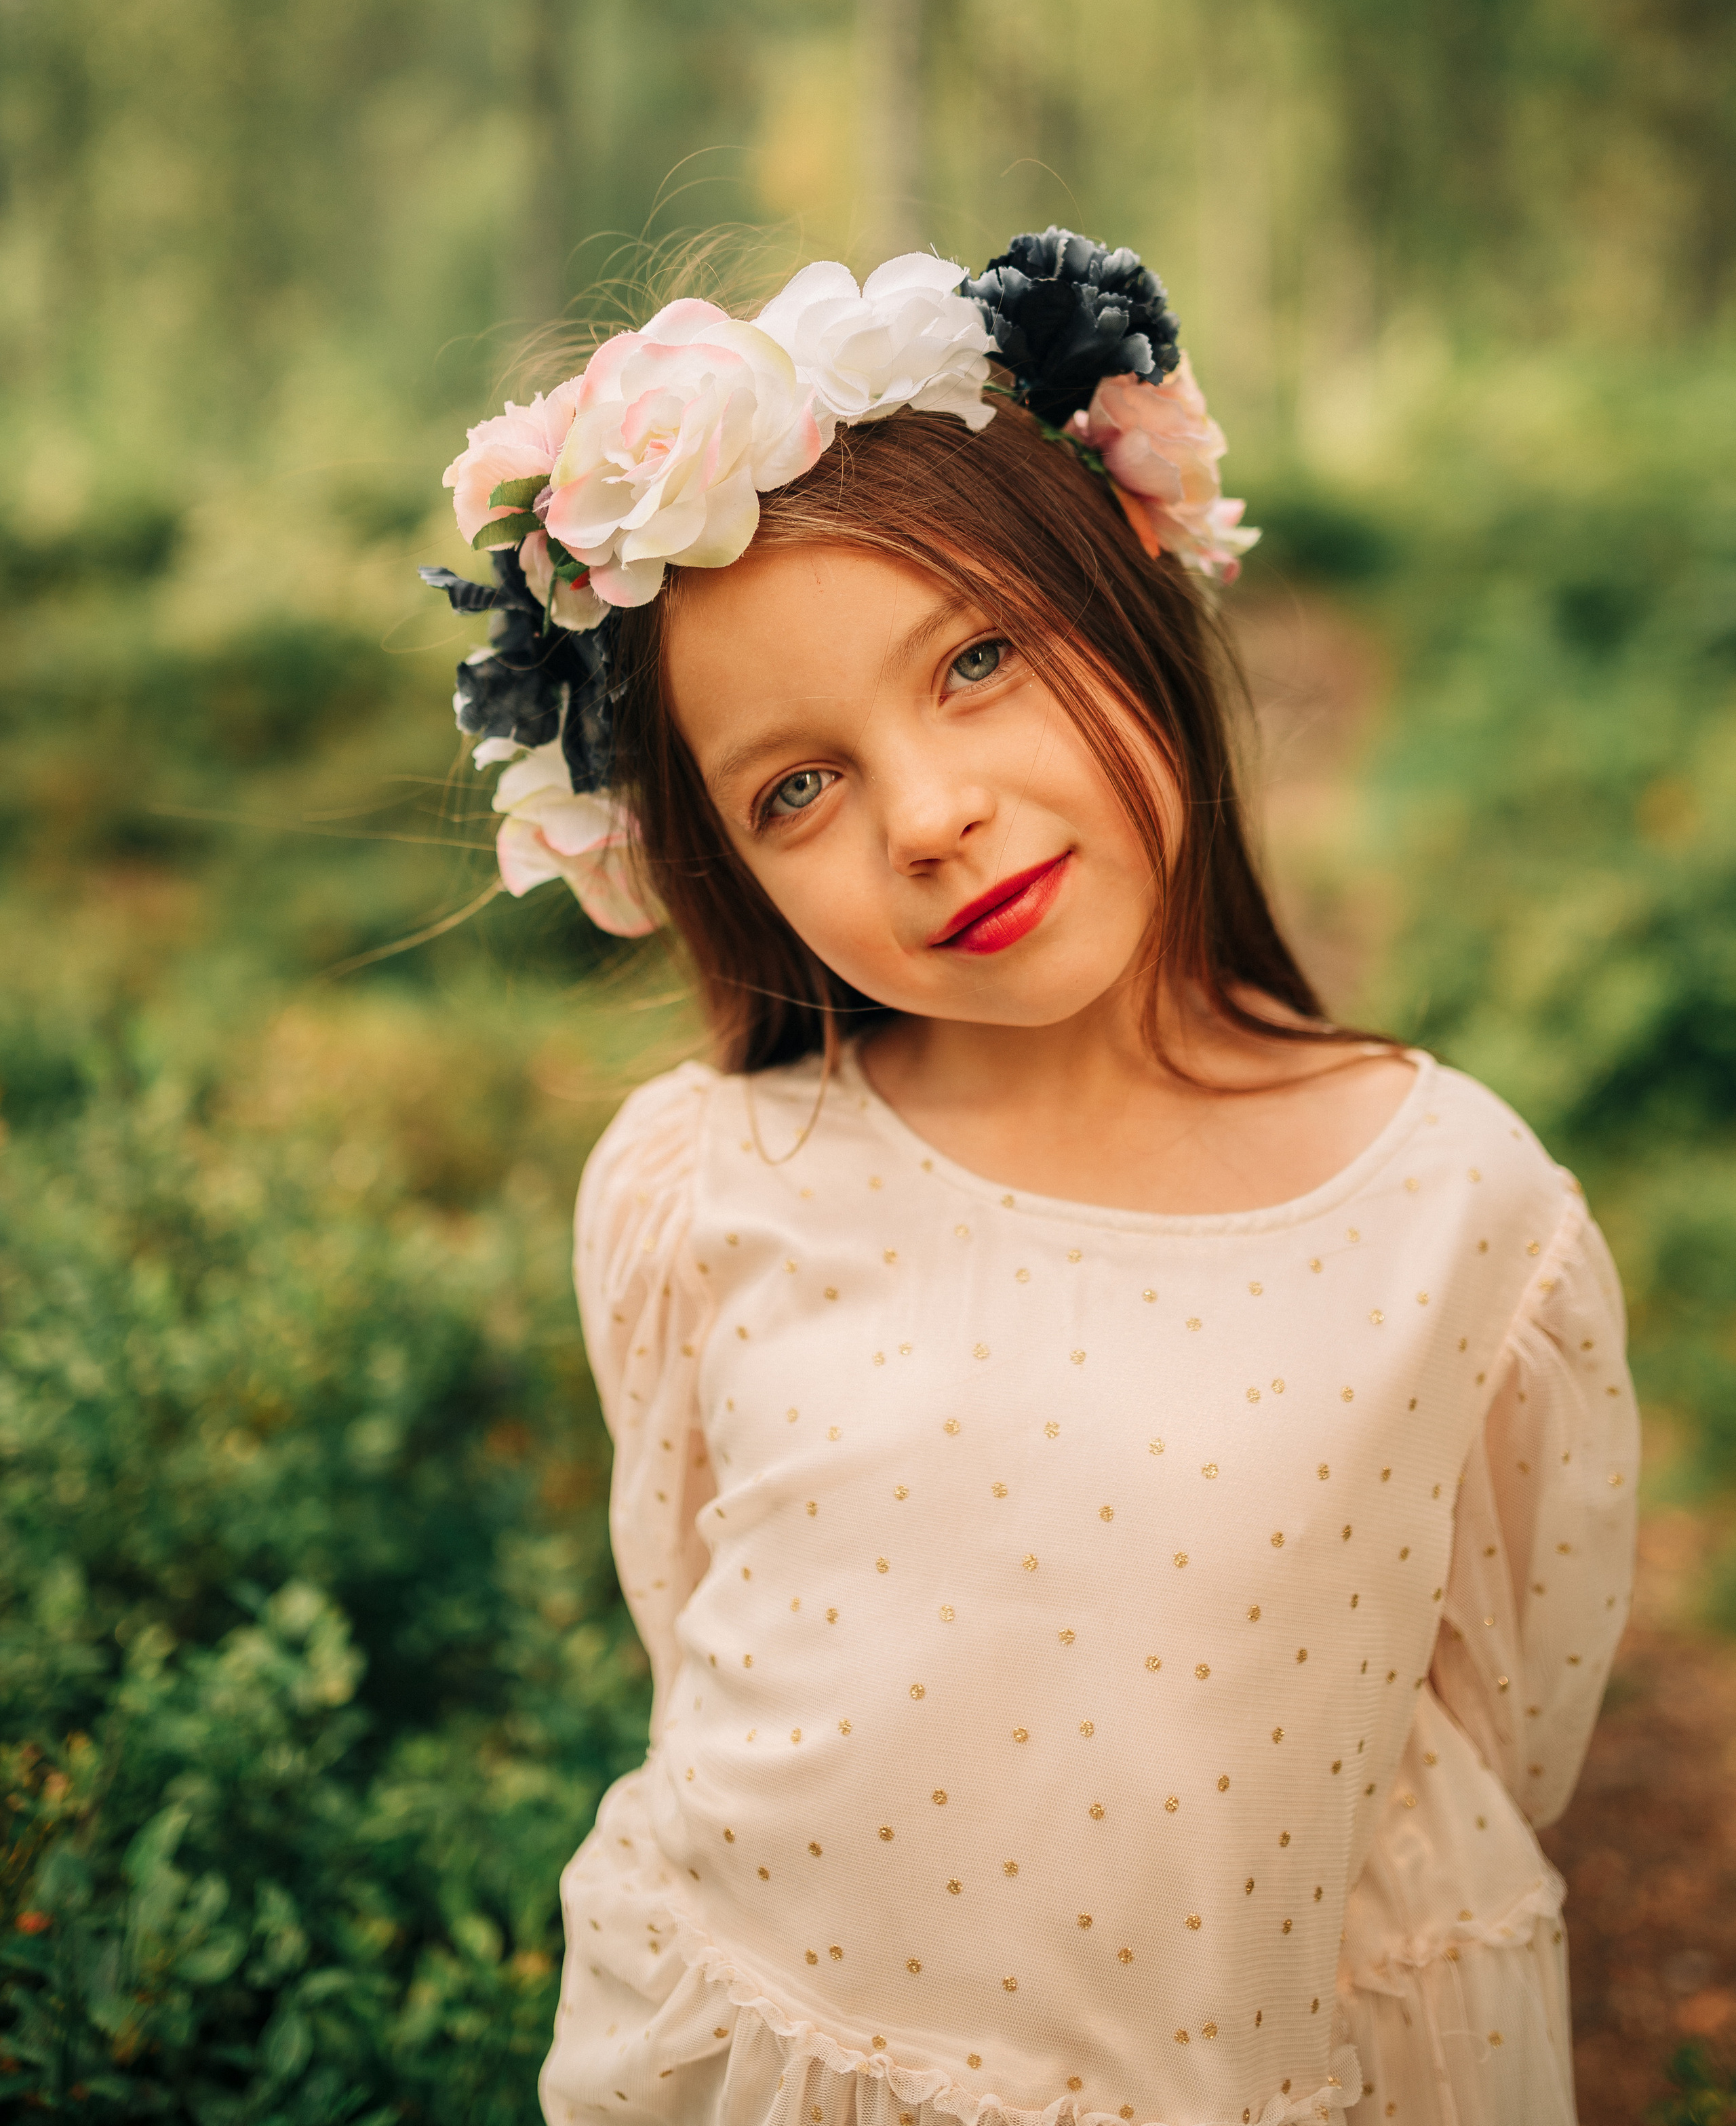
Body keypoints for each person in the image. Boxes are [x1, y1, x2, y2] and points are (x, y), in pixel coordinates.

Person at [421, 232, 1640, 2126]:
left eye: (978, 659)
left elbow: (1489, 1756)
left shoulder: (1456, 1216)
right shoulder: (702, 1181)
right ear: (722, 868)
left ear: (1129, 599)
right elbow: (697, 1637)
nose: (927, 817)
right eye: (794, 790)